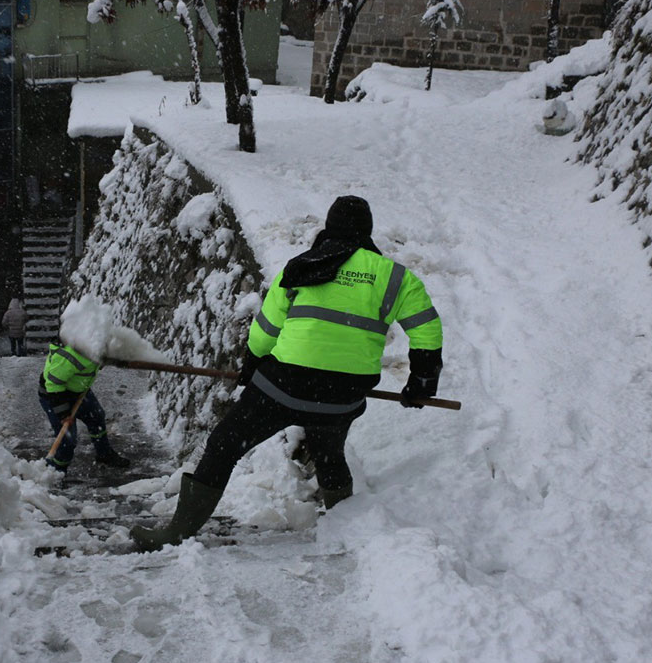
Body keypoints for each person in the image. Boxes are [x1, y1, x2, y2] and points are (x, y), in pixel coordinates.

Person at [130, 195, 444, 551]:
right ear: (367, 231)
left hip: (283, 387)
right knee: (329, 454)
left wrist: (252, 364)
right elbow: (427, 331)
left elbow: (266, 328)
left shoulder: (303, 265)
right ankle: (350, 528)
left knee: (224, 445)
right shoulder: (395, 278)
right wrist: (421, 383)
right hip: (342, 398)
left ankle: (177, 533)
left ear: (331, 226)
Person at [38, 340, 131, 473]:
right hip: (55, 395)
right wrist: (63, 413)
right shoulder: (70, 356)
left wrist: (119, 360)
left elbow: (105, 355)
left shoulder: (97, 345)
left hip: (79, 392)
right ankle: (56, 472)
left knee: (96, 417)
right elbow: (53, 385)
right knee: (67, 440)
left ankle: (104, 454)